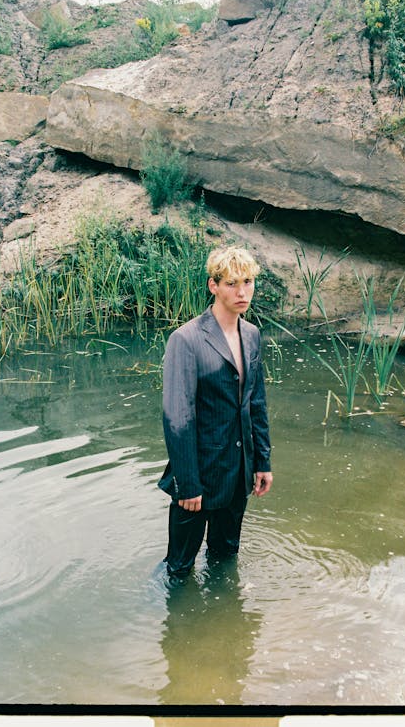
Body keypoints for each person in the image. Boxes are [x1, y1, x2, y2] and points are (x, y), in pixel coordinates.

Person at [158, 245, 273, 579]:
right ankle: (178, 628)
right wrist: (188, 483)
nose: (242, 292)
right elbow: (177, 418)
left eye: (248, 282)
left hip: (238, 474)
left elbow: (256, 403)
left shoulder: (251, 335)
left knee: (225, 558)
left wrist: (262, 462)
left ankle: (226, 624)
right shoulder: (187, 339)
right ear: (214, 286)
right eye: (232, 283)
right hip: (198, 477)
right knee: (178, 570)